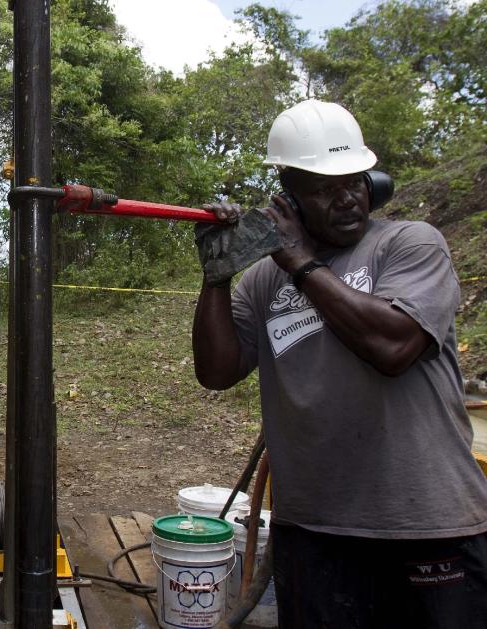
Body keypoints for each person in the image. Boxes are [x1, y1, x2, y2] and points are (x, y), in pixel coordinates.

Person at [192, 99, 487, 628]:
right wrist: (215, 279)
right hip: (312, 531)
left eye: (354, 181)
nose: (348, 198)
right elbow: (217, 371)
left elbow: (393, 348)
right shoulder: (264, 281)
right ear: (291, 199)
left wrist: (299, 260)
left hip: (426, 524)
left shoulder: (410, 244)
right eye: (325, 189)